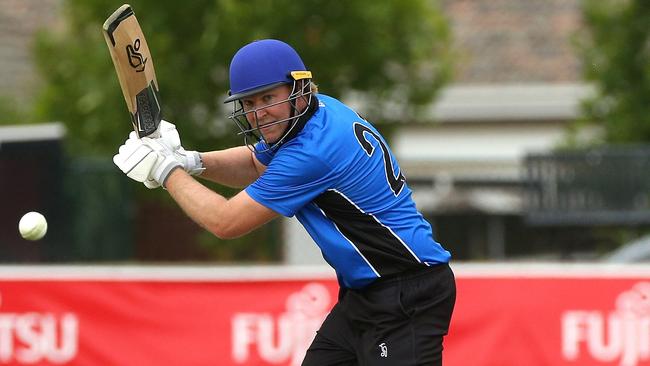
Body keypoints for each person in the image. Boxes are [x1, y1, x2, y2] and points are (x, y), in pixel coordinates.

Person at [113, 39, 456, 365]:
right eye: (248, 103)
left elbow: (225, 222)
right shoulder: (323, 112)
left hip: (407, 295)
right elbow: (254, 164)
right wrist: (192, 161)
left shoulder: (313, 153)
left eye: (267, 98)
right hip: (367, 293)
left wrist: (167, 170)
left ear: (299, 90)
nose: (258, 112)